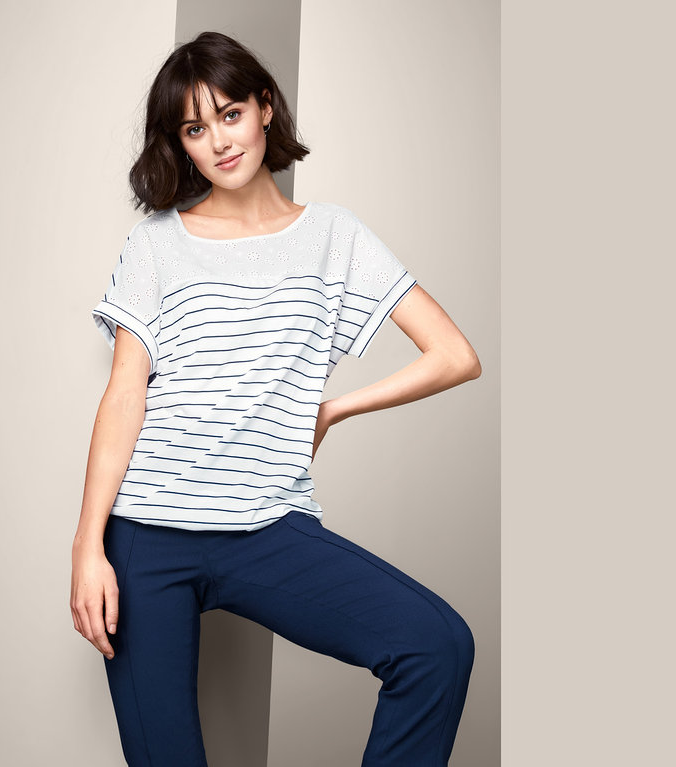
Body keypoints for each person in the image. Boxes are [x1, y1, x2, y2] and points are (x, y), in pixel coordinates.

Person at [71, 30, 481, 766]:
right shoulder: (157, 243)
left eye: (230, 114)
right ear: (181, 144)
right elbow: (125, 393)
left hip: (266, 525)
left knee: (436, 645)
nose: (219, 142)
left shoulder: (333, 236)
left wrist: (334, 408)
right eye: (195, 128)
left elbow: (455, 355)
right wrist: (88, 546)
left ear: (265, 108)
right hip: (147, 537)